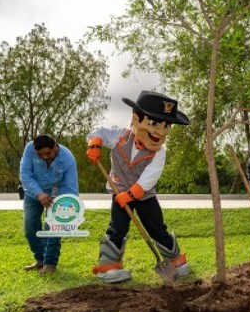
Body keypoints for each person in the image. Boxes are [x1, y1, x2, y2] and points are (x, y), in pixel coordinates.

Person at [86, 90, 191, 283]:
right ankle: (108, 266)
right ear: (136, 118)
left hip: (145, 197)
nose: (159, 132)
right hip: (119, 193)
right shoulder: (120, 137)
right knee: (117, 227)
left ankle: (176, 261)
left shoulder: (159, 153)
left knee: (157, 228)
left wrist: (132, 194)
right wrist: (95, 143)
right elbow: (99, 132)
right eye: (154, 123)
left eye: (166, 126)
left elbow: (150, 177)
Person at [19, 134, 79, 274]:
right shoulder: (29, 149)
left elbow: (71, 186)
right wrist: (39, 193)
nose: (44, 156)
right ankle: (40, 260)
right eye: (40, 154)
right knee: (30, 227)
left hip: (57, 193)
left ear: (55, 146)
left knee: (52, 227)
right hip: (33, 193)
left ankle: (50, 264)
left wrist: (65, 205)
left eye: (48, 153)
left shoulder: (68, 159)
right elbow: (25, 174)